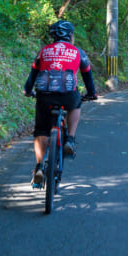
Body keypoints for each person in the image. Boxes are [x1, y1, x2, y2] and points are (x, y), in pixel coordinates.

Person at [23, 19, 98, 188]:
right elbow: (87, 76)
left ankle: (39, 167)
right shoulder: (78, 52)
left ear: (52, 37)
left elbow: (33, 74)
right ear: (71, 36)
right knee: (76, 103)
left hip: (44, 96)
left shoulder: (43, 51)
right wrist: (92, 93)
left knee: (41, 130)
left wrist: (28, 90)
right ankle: (70, 139)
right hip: (68, 95)